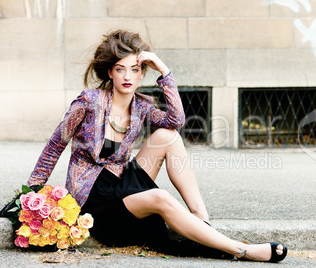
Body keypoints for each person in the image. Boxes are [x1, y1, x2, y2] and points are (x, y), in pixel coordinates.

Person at [26, 29, 287, 262]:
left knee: (168, 136)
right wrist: (32, 196)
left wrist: (165, 71)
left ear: (142, 73)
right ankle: (241, 250)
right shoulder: (88, 102)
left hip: (120, 183)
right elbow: (53, 147)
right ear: (110, 72)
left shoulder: (141, 105)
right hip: (95, 199)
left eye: (135, 69)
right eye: (120, 69)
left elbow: (176, 120)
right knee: (161, 197)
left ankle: (203, 221)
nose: (127, 76)